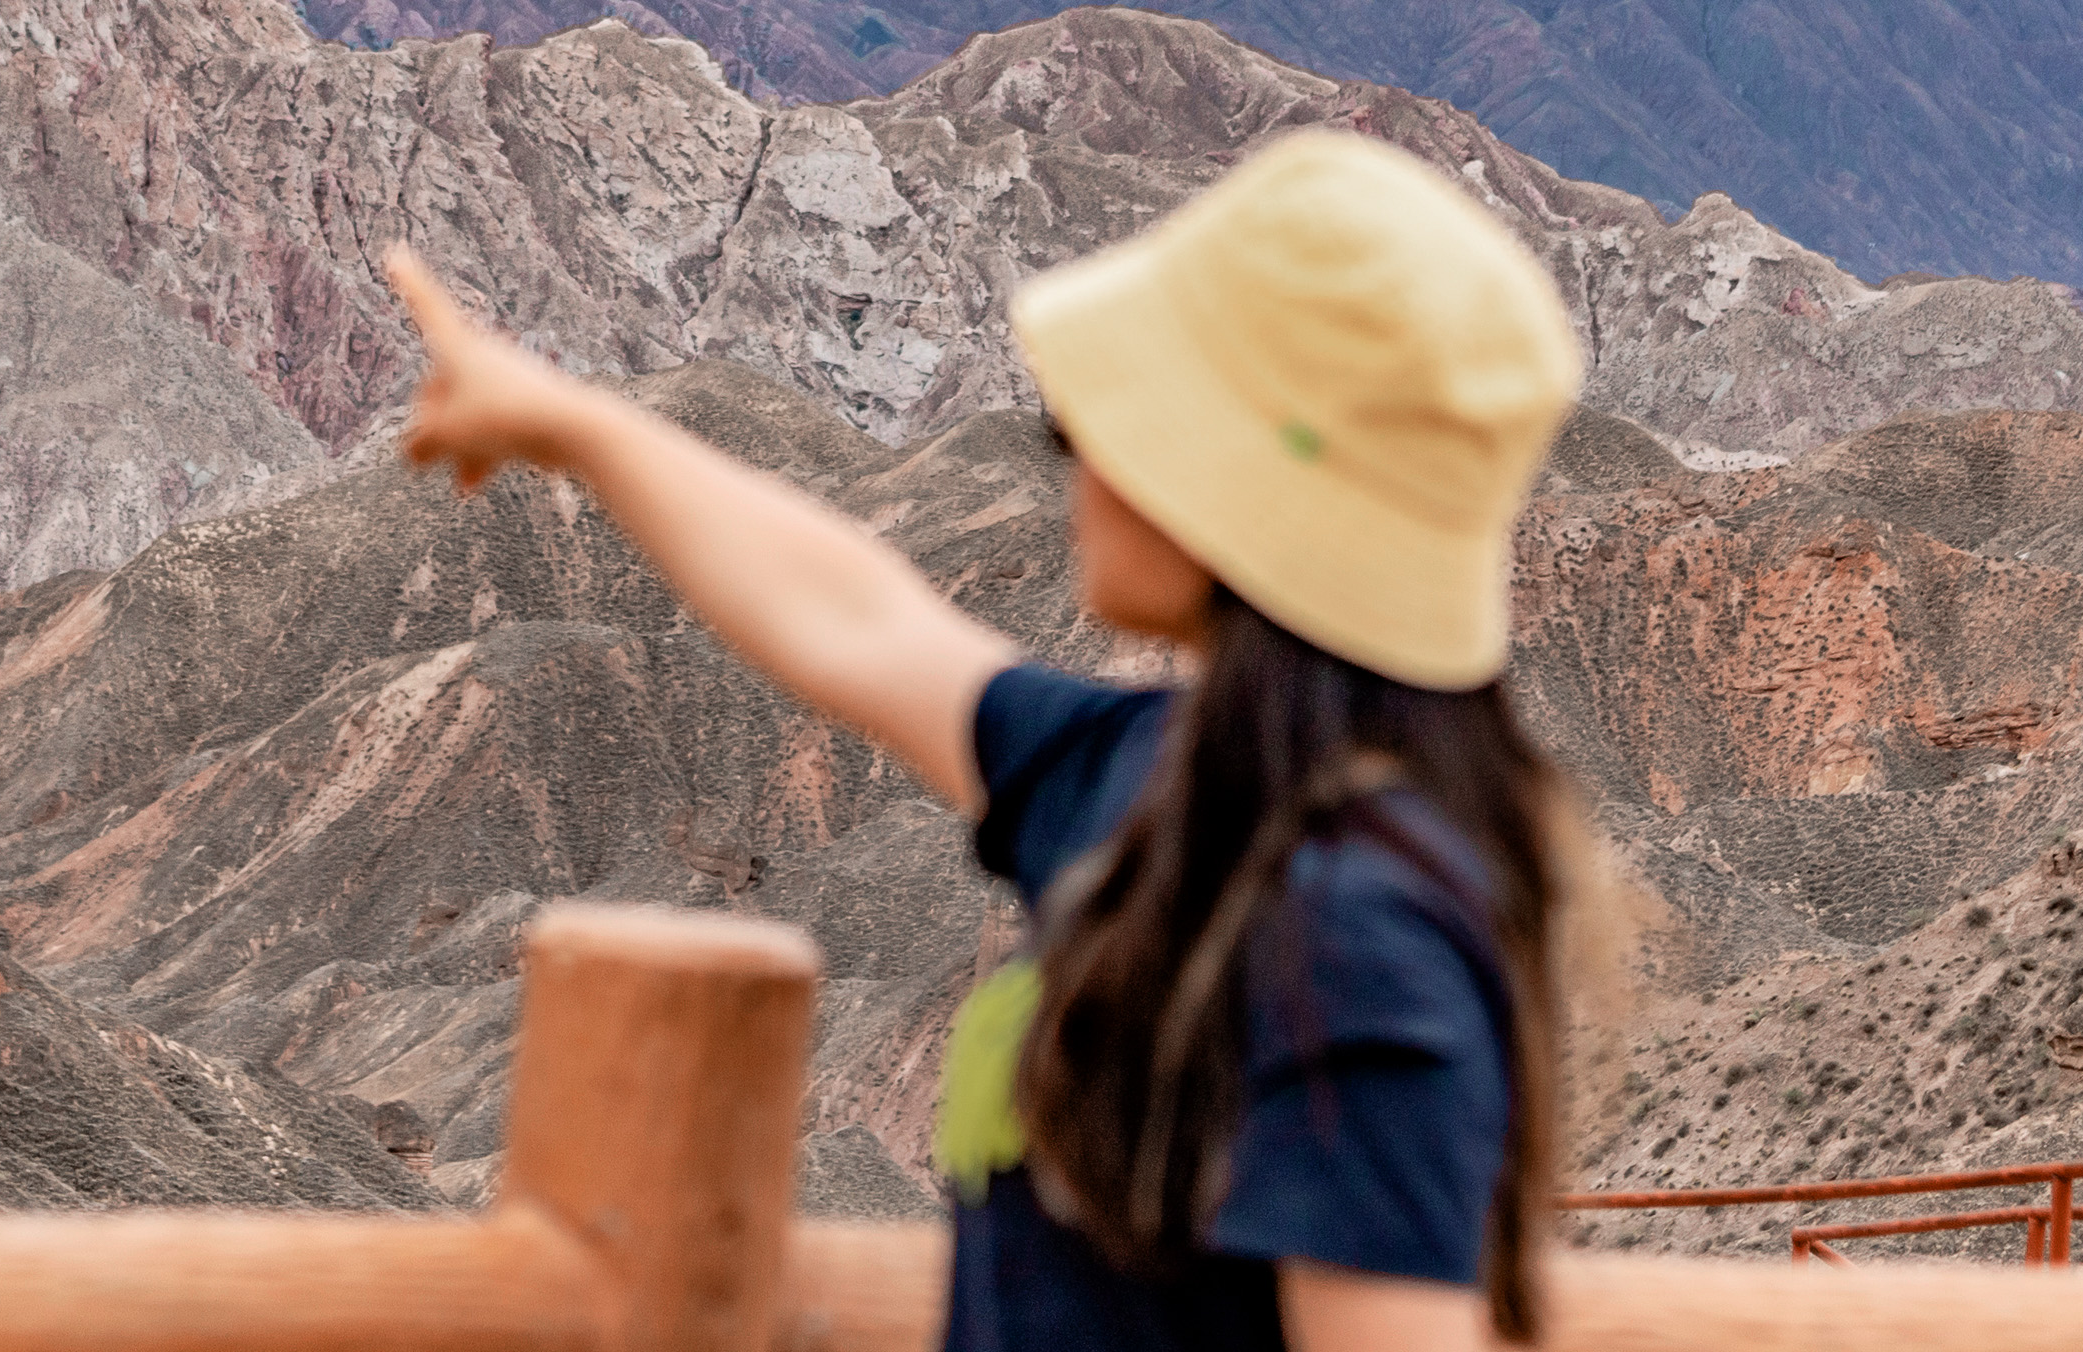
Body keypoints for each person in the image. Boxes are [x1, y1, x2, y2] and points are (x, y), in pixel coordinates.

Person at [387, 127, 1587, 1351]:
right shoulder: (1173, 796)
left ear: (1230, 488)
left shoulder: (1348, 937)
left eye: (1087, 432)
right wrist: (573, 425)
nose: (1068, 471)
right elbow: (856, 618)